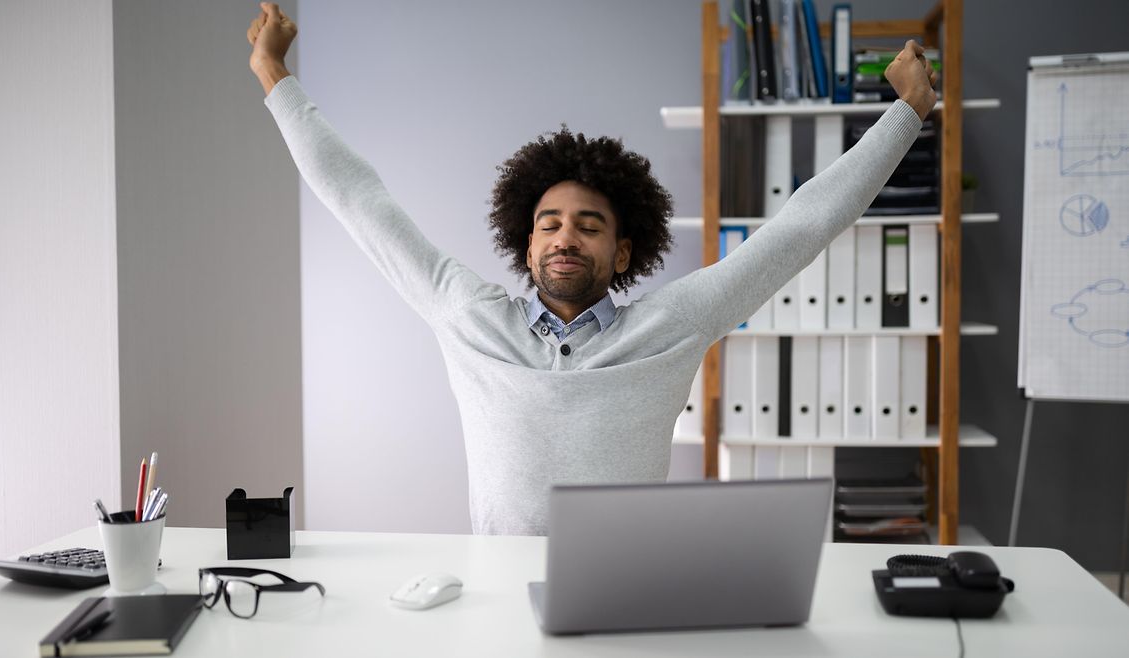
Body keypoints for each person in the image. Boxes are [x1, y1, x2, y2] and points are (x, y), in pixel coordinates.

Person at [246, 3, 937, 535]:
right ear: (527, 246)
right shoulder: (468, 316)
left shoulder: (674, 324)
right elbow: (362, 202)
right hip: (495, 606)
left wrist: (906, 114)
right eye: (548, 225)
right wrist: (274, 76)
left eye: (588, 224)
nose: (565, 237)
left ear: (623, 252)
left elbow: (799, 228)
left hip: (626, 597)